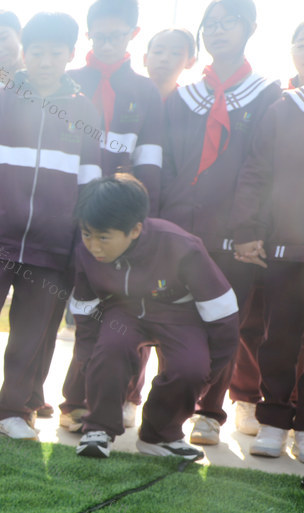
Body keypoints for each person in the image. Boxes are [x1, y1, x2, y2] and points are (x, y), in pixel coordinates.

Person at [0, 12, 102, 440]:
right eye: (37, 52)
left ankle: (13, 410)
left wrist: (81, 250)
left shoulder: (86, 112)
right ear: (24, 54)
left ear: (70, 54)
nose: (45, 60)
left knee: (31, 335)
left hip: (53, 247)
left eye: (55, 52)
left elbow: (90, 189)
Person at [158, 0, 282, 445]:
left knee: (225, 320)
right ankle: (167, 405)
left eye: (229, 22)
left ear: (251, 28)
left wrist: (254, 230)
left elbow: (266, 168)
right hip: (180, 225)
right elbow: (168, 159)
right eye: (210, 24)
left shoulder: (269, 94)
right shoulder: (185, 95)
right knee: (173, 315)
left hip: (236, 233)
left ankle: (209, 412)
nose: (218, 30)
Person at [72, 174, 238, 460]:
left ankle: (158, 435)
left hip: (180, 313)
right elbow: (84, 309)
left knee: (191, 368)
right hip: (122, 309)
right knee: (109, 349)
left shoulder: (182, 246)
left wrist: (207, 371)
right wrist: (87, 357)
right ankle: (97, 428)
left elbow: (223, 315)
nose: (93, 246)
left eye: (103, 237)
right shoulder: (86, 252)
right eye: (87, 234)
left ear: (134, 230)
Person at [61, 0, 165, 432]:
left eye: (115, 35)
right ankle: (74, 400)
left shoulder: (145, 92)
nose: (106, 43)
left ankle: (123, 396)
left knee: (128, 307)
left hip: (122, 226)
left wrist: (140, 224)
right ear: (88, 35)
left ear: (132, 35)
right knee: (81, 314)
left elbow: (151, 163)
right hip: (72, 219)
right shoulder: (67, 84)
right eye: (99, 35)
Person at [227, 22, 304, 458]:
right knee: (279, 337)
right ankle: (273, 419)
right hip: (285, 250)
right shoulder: (282, 109)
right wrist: (248, 231)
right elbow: (256, 173)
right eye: (302, 45)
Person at [144, 29, 197, 99]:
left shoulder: (190, 104)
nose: (164, 58)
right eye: (158, 52)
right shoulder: (128, 93)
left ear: (190, 62)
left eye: (175, 53)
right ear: (145, 59)